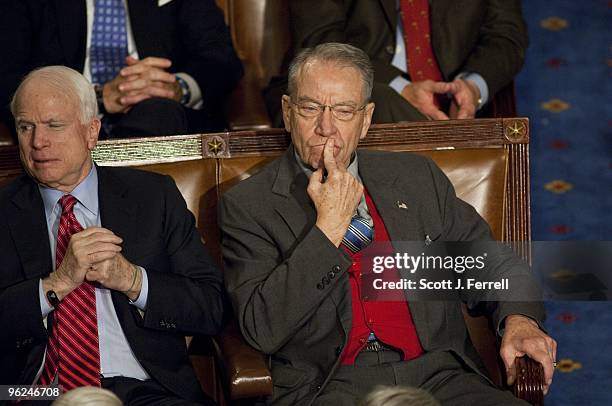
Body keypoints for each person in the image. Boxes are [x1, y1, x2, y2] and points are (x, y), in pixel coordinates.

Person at [220, 43, 556, 405]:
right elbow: (262, 329)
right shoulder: (249, 205)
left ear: (365, 120)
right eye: (310, 107)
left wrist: (520, 319)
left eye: (344, 110)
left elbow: (494, 264)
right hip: (329, 387)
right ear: (287, 113)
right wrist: (328, 230)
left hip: (439, 376)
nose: (326, 127)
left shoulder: (415, 177)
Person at [0, 66, 224, 405]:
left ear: (91, 132)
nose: (38, 142)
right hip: (35, 391)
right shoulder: (4, 210)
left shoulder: (153, 197)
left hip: (147, 387)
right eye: (25, 127)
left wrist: (133, 280)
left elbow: (212, 306)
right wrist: (55, 284)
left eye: (54, 125)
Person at [0, 0, 243, 138]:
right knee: (59, 130)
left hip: (162, 114)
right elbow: (7, 75)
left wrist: (177, 87)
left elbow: (221, 59)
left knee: (158, 113)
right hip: (68, 118)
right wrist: (95, 97)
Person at [264, 0, 527, 125]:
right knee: (378, 101)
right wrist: (401, 89)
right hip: (345, 88)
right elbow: (320, 39)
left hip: (453, 102)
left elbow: (506, 36)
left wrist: (472, 88)